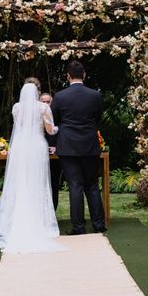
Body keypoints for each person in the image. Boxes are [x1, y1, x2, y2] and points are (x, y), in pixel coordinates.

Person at [0, 81, 64, 253]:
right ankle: (39, 222)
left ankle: (16, 219)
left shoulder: (17, 108)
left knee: (20, 182)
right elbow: (50, 130)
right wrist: (60, 128)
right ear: (37, 94)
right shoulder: (43, 108)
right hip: (37, 146)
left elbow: (20, 127)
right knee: (37, 183)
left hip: (20, 147)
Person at [51, 61, 106, 234]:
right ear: (84, 75)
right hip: (90, 144)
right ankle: (98, 225)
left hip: (67, 145)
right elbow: (98, 118)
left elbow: (54, 121)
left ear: (68, 76)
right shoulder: (95, 95)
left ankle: (79, 227)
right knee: (92, 185)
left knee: (75, 185)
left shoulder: (59, 97)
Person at [39, 92, 62, 210]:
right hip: (37, 158)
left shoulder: (58, 117)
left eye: (49, 102)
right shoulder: (33, 118)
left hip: (54, 158)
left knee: (53, 184)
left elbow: (63, 133)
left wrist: (57, 147)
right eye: (43, 101)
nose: (46, 104)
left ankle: (53, 212)